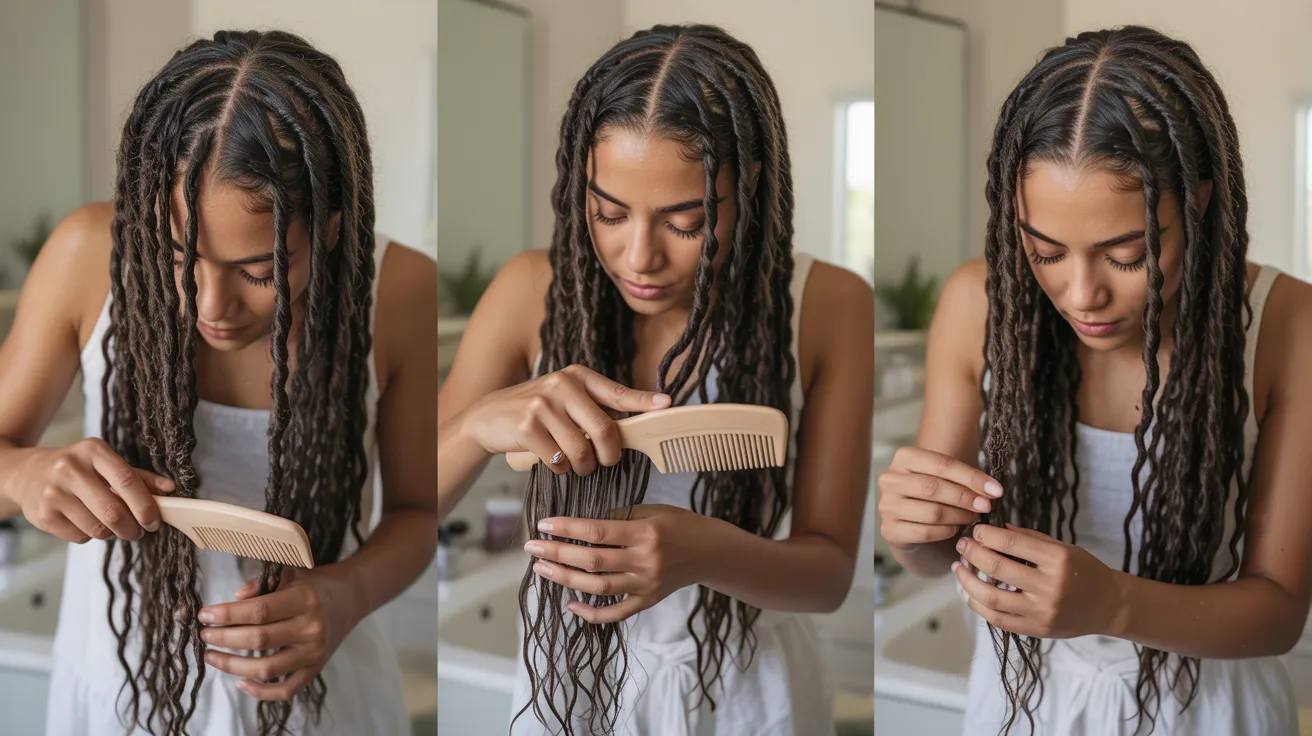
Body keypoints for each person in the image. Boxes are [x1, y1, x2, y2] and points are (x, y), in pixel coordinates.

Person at [436, 23, 874, 736]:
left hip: (746, 691)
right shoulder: (527, 292)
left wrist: (703, 550)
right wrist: (476, 425)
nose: (639, 256)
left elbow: (827, 578)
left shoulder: (828, 306)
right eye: (608, 213)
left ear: (749, 188)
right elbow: (410, 509)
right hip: (570, 685)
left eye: (686, 222)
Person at [0, 30, 437, 735]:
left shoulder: (400, 290)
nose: (210, 306)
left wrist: (346, 594)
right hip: (122, 696)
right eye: (178, 255)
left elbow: (417, 513)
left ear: (330, 229)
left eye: (260, 273)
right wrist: (24, 476)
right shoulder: (86, 254)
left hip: (322, 703)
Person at [877, 26, 1311, 736]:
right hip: (1021, 707)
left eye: (1127, 254)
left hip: (1209, 713)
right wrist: (910, 527)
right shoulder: (978, 304)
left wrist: (1113, 604)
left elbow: (1280, 614)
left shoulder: (1288, 326)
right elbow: (929, 559)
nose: (1081, 295)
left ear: (1199, 202)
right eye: (1045, 251)